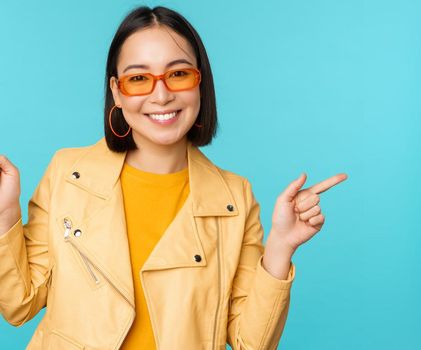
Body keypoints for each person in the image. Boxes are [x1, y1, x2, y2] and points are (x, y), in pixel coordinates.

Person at [0, 6, 347, 349]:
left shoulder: (235, 198)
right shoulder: (67, 173)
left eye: (178, 74)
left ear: (200, 83)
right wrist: (5, 216)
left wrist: (281, 247)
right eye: (138, 79)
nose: (162, 94)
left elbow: (249, 343)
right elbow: (19, 305)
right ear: (117, 92)